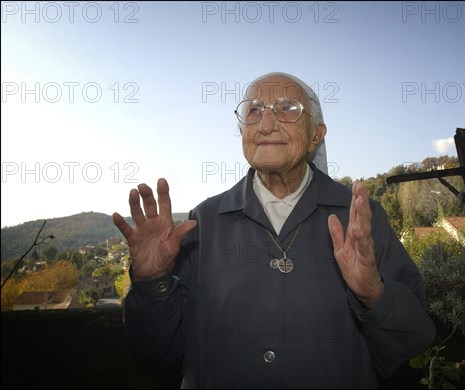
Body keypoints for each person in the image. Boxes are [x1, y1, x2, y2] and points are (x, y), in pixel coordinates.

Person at [113, 72, 436, 388]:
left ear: (316, 134)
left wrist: (374, 294)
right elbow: (160, 347)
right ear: (242, 131)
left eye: (287, 109)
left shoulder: (361, 218)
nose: (266, 124)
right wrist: (151, 282)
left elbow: (412, 341)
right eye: (253, 110)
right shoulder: (203, 220)